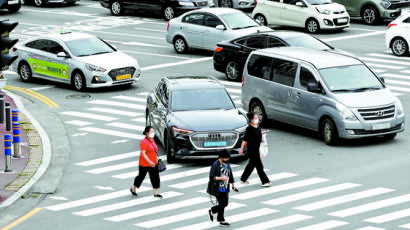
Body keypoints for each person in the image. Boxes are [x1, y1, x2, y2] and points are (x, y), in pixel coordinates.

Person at [239, 112, 271, 187]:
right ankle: (265, 181)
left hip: (257, 149)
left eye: (257, 117)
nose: (257, 119)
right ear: (251, 119)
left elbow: (258, 137)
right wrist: (241, 149)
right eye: (255, 118)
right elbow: (245, 140)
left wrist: (262, 136)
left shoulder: (258, 126)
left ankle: (243, 179)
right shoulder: (249, 128)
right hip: (251, 150)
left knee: (251, 165)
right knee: (259, 166)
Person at [130, 126, 162, 198]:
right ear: (147, 133)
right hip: (144, 164)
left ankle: (156, 193)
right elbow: (143, 154)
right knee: (141, 177)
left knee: (155, 177)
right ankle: (133, 188)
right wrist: (149, 161)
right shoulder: (143, 142)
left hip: (154, 163)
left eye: (153, 131)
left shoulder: (152, 140)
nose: (153, 133)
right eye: (151, 132)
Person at [208, 150, 238, 226]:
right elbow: (211, 177)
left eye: (228, 158)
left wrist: (233, 185)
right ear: (221, 157)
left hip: (225, 187)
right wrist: (221, 178)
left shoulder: (227, 163)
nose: (227, 160)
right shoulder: (215, 165)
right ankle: (221, 220)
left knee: (225, 204)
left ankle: (213, 210)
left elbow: (230, 174)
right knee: (222, 203)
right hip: (217, 188)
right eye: (225, 158)